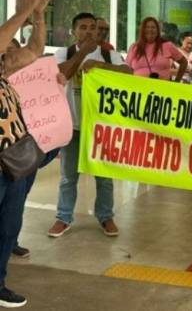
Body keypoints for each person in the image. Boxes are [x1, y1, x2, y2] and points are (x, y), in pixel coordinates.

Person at [48, 12, 133, 239]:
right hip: (72, 126)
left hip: (101, 128)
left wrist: (99, 65)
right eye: (83, 27)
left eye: (92, 27)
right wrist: (83, 53)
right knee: (68, 177)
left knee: (104, 176)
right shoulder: (63, 53)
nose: (88, 31)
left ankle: (106, 216)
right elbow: (60, 74)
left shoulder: (108, 54)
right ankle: (63, 217)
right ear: (73, 31)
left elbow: (128, 73)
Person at [0, 0, 52, 308]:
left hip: (14, 164)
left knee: (8, 228)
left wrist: (39, 18)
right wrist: (22, 13)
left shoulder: (4, 69)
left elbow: (35, 50)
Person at [126, 17, 187, 81]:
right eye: (147, 27)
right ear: (142, 30)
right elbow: (127, 69)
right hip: (138, 88)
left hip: (162, 88)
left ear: (158, 30)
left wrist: (177, 81)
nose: (150, 30)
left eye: (153, 27)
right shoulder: (134, 47)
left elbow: (184, 62)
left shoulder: (167, 45)